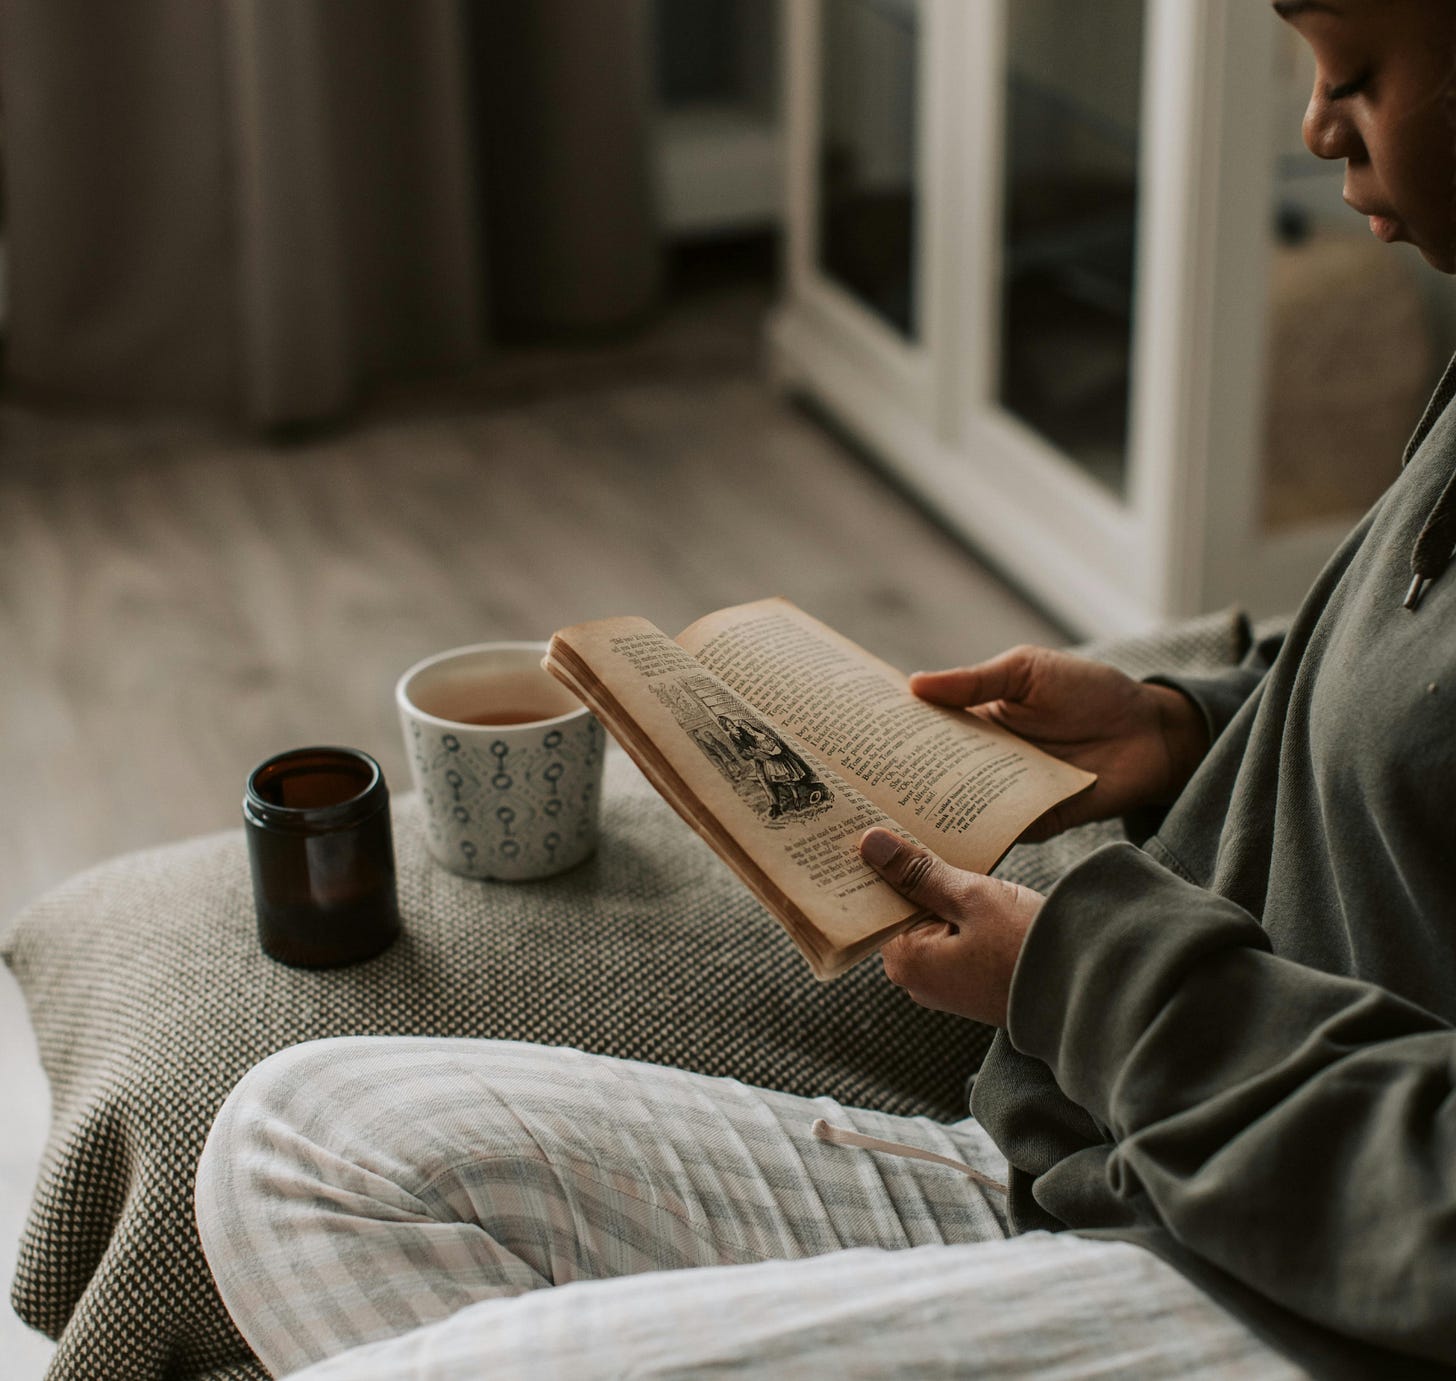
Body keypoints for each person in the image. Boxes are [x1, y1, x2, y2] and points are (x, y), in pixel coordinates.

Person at [194, 2, 1456, 1376]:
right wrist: (1180, 724)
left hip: (1317, 1291)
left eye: (1358, 70)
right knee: (300, 1142)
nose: (1315, 123)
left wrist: (1076, 970)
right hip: (1128, 1160)